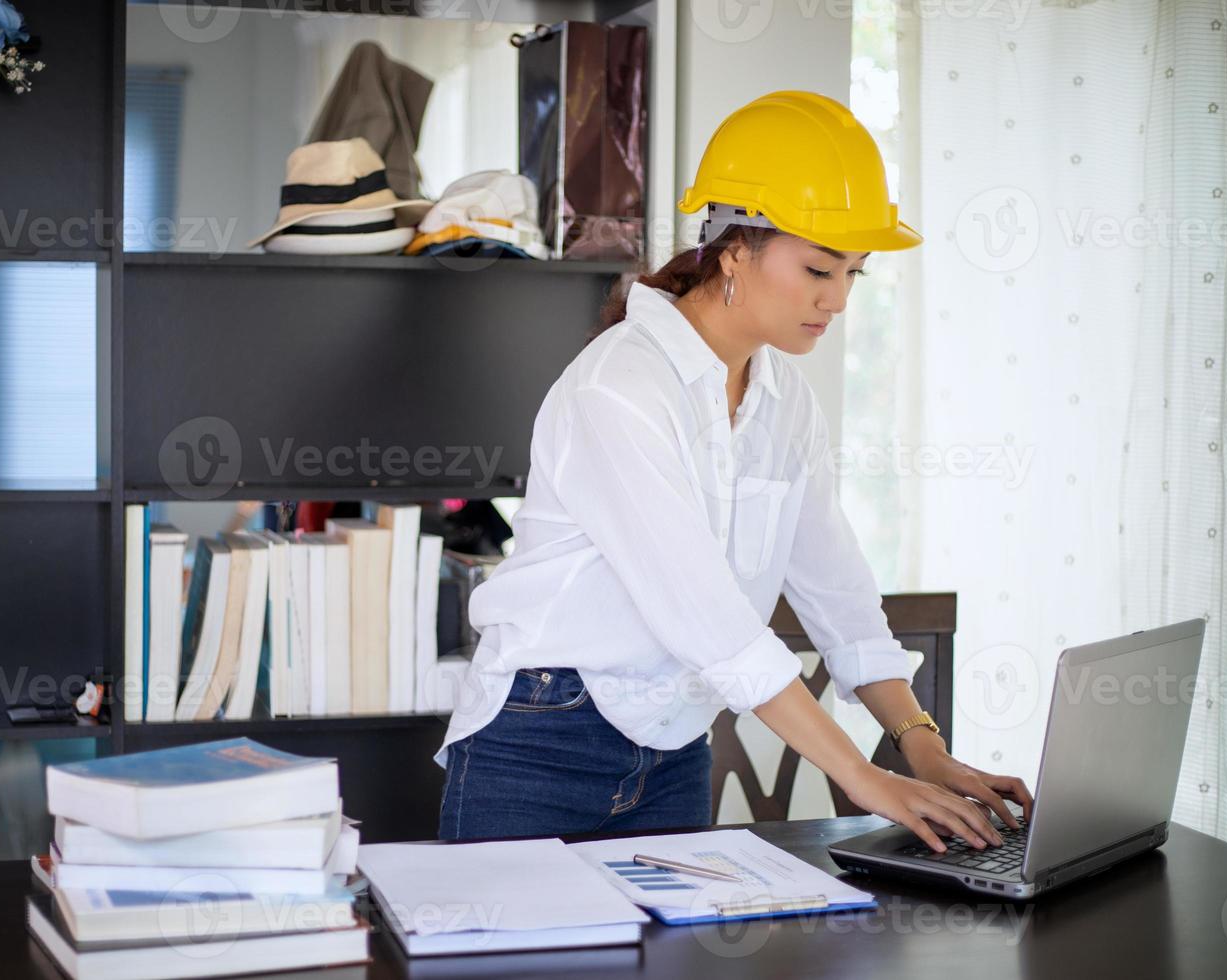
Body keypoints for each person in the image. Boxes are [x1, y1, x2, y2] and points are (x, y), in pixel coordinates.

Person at [435, 91, 1033, 854]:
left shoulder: (785, 403)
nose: (839, 299)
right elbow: (712, 624)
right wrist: (866, 778)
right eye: (820, 267)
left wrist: (921, 746)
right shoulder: (618, 388)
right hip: (538, 745)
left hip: (676, 753)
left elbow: (839, 596)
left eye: (857, 273)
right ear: (734, 249)